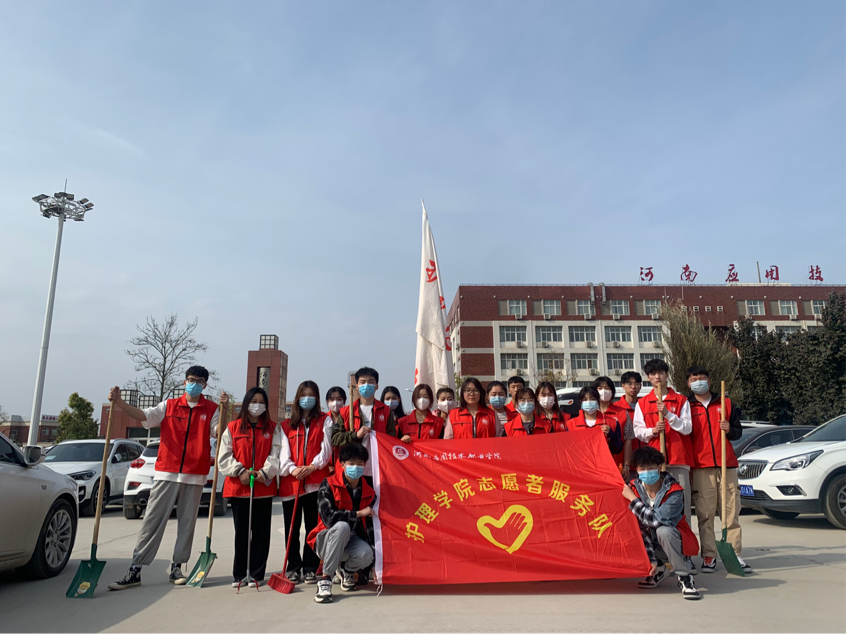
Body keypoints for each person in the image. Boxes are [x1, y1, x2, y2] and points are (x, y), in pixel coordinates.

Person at [106, 366, 219, 590]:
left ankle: (177, 566)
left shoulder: (212, 409)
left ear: (205, 385)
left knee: (187, 523)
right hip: (167, 471)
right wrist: (119, 402)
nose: (194, 384)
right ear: (184, 382)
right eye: (190, 380)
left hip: (194, 474)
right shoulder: (169, 406)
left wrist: (225, 411)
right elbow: (143, 416)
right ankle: (135, 569)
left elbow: (220, 432)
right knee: (152, 520)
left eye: (199, 381)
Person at [686, 366, 750, 574]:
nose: (698, 382)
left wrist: (729, 429)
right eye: (694, 379)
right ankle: (709, 555)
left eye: (702, 378)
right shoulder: (687, 406)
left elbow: (738, 432)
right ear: (688, 383)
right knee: (705, 514)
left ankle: (735, 553)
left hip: (726, 464)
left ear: (709, 380)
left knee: (731, 512)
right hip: (701, 467)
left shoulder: (725, 403)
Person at [218, 387, 281, 587]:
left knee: (261, 534)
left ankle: (256, 574)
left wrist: (264, 473)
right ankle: (239, 573)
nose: (257, 405)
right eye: (253, 401)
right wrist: (240, 471)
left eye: (261, 402)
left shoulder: (272, 428)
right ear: (246, 403)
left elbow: (276, 453)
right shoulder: (233, 427)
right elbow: (224, 456)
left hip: (262, 489)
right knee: (242, 533)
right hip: (239, 489)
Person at [622, 446, 700, 600]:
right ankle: (659, 568)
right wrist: (650, 559)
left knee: (663, 530)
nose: (647, 472)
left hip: (675, 542)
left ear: (659, 467)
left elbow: (655, 520)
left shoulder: (674, 491)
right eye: (642, 468)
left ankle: (684, 576)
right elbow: (640, 527)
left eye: (651, 467)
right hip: (650, 543)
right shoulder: (633, 488)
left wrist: (633, 500)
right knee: (630, 529)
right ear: (636, 469)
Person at [279, 381, 333, 585]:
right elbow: (283, 452)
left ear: (316, 398)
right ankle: (293, 567)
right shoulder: (286, 425)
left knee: (312, 526)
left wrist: (312, 467)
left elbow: (326, 450)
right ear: (297, 398)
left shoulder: (325, 420)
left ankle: (310, 567)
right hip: (291, 483)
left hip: (314, 483)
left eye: (311, 395)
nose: (307, 399)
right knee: (291, 528)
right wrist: (293, 469)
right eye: (303, 395)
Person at [308, 443, 376, 604]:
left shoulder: (369, 492)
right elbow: (329, 518)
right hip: (327, 539)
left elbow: (370, 528)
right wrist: (358, 513)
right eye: (351, 463)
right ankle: (326, 579)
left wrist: (373, 564)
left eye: (360, 463)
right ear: (343, 464)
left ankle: (347, 570)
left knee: (367, 554)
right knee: (342, 526)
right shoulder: (329, 484)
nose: (356, 467)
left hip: (352, 540)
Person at [633, 359, 694, 523]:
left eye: (661, 373)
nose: (657, 377)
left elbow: (687, 428)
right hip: (653, 465)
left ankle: (684, 538)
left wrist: (668, 414)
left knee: (682, 505)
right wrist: (652, 431)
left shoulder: (681, 400)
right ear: (648, 377)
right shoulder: (642, 403)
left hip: (678, 460)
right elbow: (638, 431)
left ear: (667, 375)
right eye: (653, 374)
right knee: (655, 505)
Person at [331, 367, 398, 479]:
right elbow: (336, 439)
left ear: (377, 386)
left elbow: (392, 440)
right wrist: (356, 435)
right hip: (353, 469)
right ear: (357, 386)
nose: (366, 385)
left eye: (370, 382)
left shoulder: (385, 411)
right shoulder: (346, 412)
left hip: (378, 469)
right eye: (362, 382)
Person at [566, 386, 624, 454]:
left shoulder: (612, 423)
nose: (588, 402)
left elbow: (617, 450)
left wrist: (611, 434)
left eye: (592, 399)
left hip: (603, 460)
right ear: (580, 402)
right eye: (585, 399)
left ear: (598, 401)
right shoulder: (571, 424)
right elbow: (568, 449)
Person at [616, 371, 645, 481]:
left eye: (637, 384)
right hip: (624, 465)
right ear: (623, 386)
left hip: (645, 462)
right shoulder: (616, 409)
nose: (633, 387)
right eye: (630, 383)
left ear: (640, 386)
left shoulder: (645, 406)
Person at [325, 386, 347, 474]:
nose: (335, 402)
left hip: (344, 463)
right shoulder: (323, 419)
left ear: (344, 401)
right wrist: (325, 465)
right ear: (327, 401)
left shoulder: (349, 418)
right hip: (327, 464)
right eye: (332, 399)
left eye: (339, 399)